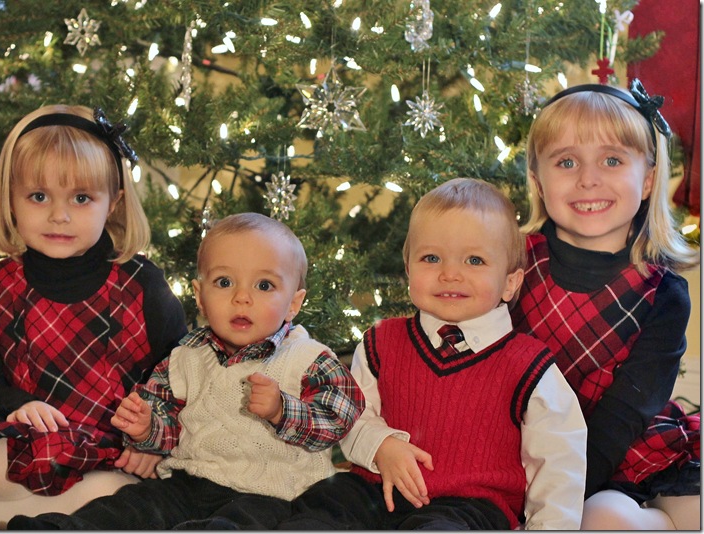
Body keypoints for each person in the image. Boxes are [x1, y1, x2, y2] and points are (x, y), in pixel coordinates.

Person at [7, 211, 366, 530]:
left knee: (233, 526)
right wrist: (146, 427)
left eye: (264, 285)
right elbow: (168, 428)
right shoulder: (185, 358)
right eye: (224, 282)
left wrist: (282, 410)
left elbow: (342, 414)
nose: (242, 297)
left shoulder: (307, 358)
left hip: (272, 495)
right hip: (188, 482)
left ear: (293, 304)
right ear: (199, 295)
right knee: (131, 506)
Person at [278, 178, 587, 530]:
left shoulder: (529, 365)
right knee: (322, 505)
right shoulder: (382, 342)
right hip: (375, 488)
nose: (450, 274)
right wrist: (380, 445)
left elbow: (558, 464)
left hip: (469, 506)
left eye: (474, 260)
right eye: (431, 258)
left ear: (509, 282)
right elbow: (349, 414)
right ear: (409, 268)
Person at [0, 104, 189, 529]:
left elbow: (182, 377)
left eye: (81, 198)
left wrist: (153, 440)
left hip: (108, 452)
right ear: (11, 200)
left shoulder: (141, 284)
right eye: (38, 196)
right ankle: (14, 510)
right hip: (24, 445)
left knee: (117, 496)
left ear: (113, 203)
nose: (59, 215)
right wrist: (18, 406)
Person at [511, 79, 701, 530]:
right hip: (534, 452)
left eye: (612, 160)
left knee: (622, 515)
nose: (588, 179)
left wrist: (561, 491)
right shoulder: (512, 265)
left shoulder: (662, 293)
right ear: (538, 182)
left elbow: (626, 414)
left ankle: (663, 518)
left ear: (648, 180)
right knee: (603, 518)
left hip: (627, 447)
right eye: (567, 161)